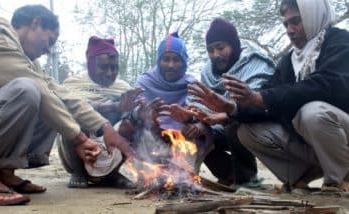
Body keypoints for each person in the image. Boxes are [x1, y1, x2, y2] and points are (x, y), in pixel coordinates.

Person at [0, 5, 133, 206]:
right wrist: (79, 139)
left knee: (50, 100)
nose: (48, 50)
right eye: (49, 41)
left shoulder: (26, 60)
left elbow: (61, 95)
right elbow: (36, 88)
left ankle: (4, 172)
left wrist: (104, 127)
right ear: (35, 23)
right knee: (28, 90)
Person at [189, 0, 349, 193]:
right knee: (247, 132)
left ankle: (338, 180)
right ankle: (301, 176)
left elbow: (326, 85)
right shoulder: (290, 61)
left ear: (313, 16)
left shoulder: (340, 41)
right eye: (286, 24)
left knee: (312, 112)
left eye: (296, 21)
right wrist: (232, 108)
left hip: (341, 133)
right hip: (311, 138)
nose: (289, 30)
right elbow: (268, 100)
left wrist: (259, 98)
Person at [165, 18, 275, 187]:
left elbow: (261, 105)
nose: (215, 55)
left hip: (257, 126)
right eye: (210, 50)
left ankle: (247, 180)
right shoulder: (207, 72)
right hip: (221, 126)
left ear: (234, 45)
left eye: (221, 48)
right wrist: (194, 120)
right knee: (195, 133)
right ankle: (228, 175)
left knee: (235, 125)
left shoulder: (255, 63)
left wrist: (226, 114)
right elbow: (203, 104)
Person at [57, 36, 143, 188]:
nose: (109, 73)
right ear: (90, 64)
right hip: (77, 148)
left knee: (132, 123)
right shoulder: (74, 84)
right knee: (73, 119)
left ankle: (111, 174)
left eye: (114, 67)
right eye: (103, 67)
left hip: (110, 146)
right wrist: (111, 107)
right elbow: (71, 108)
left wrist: (136, 110)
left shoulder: (123, 87)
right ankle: (79, 172)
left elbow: (130, 116)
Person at [124, 32, 212, 173]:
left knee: (181, 179)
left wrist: (193, 121)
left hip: (182, 140)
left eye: (176, 60)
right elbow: (129, 113)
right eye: (166, 59)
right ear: (159, 61)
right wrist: (145, 114)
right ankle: (149, 172)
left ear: (184, 63)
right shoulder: (144, 82)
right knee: (139, 128)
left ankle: (184, 173)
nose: (171, 65)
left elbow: (204, 115)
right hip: (152, 140)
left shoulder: (193, 85)